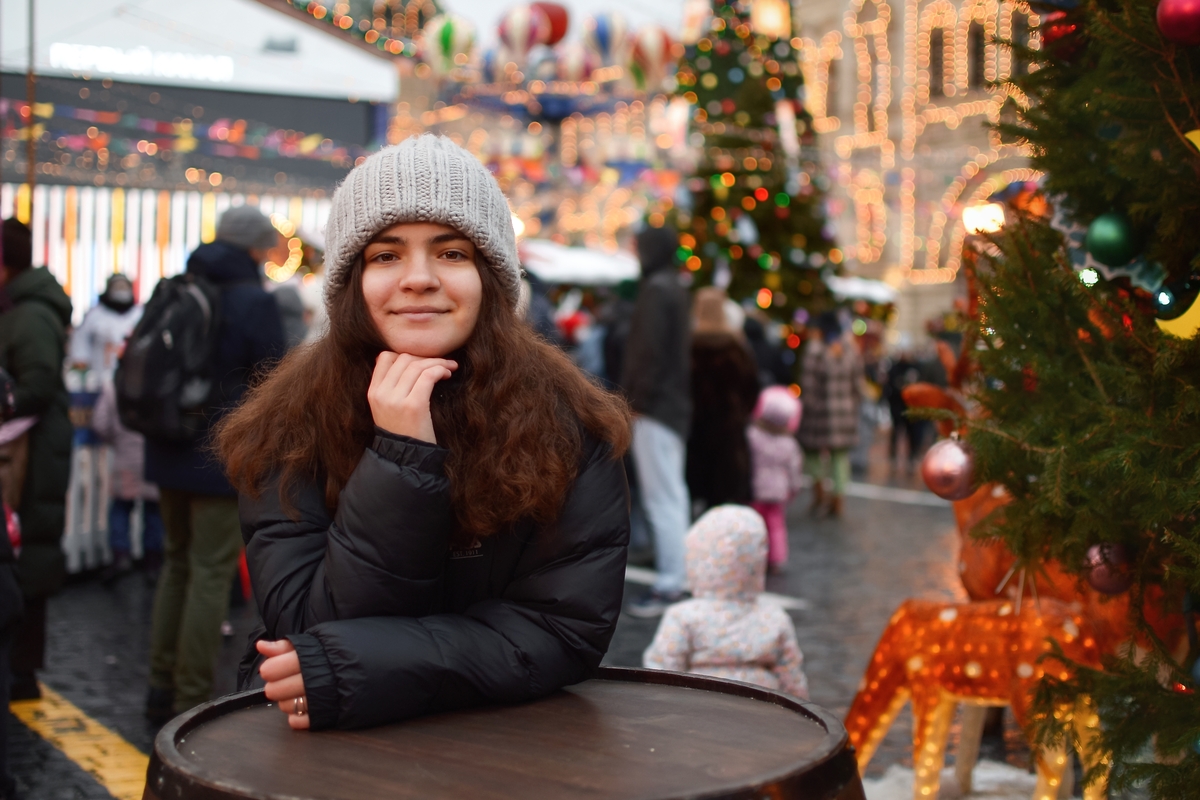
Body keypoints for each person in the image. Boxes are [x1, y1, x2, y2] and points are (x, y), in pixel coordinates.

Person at [214, 135, 632, 732]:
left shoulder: (569, 423)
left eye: (452, 253)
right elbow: (306, 625)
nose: (419, 278)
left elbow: (560, 629)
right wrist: (401, 458)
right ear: (351, 281)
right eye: (386, 255)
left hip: (515, 751)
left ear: (491, 277)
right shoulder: (287, 426)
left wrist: (367, 665)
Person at [143, 204, 286, 723]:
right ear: (252, 247)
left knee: (177, 565)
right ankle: (190, 697)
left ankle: (160, 684)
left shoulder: (180, 286)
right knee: (209, 573)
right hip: (218, 455)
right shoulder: (253, 300)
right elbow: (274, 380)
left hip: (166, 448)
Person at [0, 219, 72, 701]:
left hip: (29, 456)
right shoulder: (25, 310)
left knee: (29, 552)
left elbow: (37, 384)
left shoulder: (27, 316)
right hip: (29, 451)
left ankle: (22, 670)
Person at [643, 505, 808, 698]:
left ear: (696, 560)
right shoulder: (774, 617)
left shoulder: (683, 617)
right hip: (762, 718)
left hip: (697, 716)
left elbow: (661, 670)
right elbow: (791, 676)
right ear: (757, 562)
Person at [621, 225, 692, 618]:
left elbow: (646, 354)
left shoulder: (657, 291)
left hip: (655, 408)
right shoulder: (674, 288)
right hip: (670, 406)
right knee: (672, 497)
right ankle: (676, 577)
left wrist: (635, 401)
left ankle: (670, 585)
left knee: (662, 498)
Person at [687, 287, 760, 511]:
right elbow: (753, 389)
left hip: (694, 434)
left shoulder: (687, 347)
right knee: (725, 503)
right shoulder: (736, 349)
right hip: (729, 436)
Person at [92, 378, 162, 582]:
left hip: (124, 458)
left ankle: (120, 556)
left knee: (121, 508)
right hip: (152, 457)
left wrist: (116, 439)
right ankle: (153, 563)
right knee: (153, 512)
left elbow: (99, 422)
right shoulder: (157, 382)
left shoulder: (115, 385)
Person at [797, 312, 864, 518]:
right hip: (844, 412)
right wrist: (852, 405)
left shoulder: (814, 351)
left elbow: (808, 386)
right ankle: (838, 499)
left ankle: (819, 495)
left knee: (813, 454)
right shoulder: (849, 351)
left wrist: (807, 408)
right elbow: (857, 385)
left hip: (819, 412)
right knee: (839, 457)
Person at [747, 386, 803, 573]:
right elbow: (795, 470)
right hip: (778, 493)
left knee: (754, 526)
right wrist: (794, 488)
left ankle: (752, 556)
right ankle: (776, 559)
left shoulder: (753, 436)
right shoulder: (790, 444)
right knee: (776, 527)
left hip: (755, 490)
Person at [68, 273, 141, 379]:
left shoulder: (139, 314)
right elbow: (80, 344)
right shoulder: (94, 315)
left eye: (124, 287)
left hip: (131, 381)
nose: (121, 291)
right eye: (117, 287)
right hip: (99, 379)